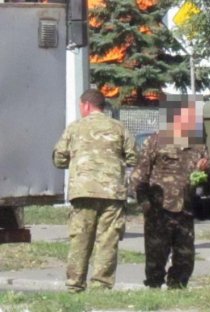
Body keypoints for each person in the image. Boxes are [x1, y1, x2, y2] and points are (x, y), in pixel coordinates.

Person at [52, 89, 137, 293]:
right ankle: (102, 285)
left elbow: (59, 158)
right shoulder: (119, 127)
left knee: (80, 238)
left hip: (83, 191)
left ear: (86, 105)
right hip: (112, 194)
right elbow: (134, 158)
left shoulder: (74, 128)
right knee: (108, 239)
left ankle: (75, 285)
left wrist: (79, 163)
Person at [130, 96, 209, 289]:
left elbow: (207, 175)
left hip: (185, 208)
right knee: (156, 254)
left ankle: (178, 287)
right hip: (159, 209)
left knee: (185, 256)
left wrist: (204, 170)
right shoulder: (156, 141)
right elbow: (138, 177)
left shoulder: (198, 145)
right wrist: (145, 204)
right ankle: (154, 285)